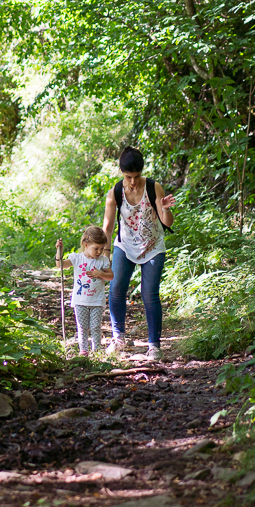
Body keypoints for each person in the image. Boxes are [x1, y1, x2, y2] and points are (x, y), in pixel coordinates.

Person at [102, 146, 175, 360]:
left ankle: (154, 346)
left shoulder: (153, 187)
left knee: (149, 294)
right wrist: (105, 256)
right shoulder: (115, 193)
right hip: (125, 245)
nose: (133, 181)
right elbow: (107, 227)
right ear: (121, 172)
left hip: (152, 247)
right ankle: (118, 339)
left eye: (136, 176)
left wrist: (166, 209)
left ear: (142, 172)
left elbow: (166, 222)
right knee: (116, 289)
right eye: (128, 177)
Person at [55, 226, 113, 355]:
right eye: (96, 248)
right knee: (82, 327)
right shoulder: (77, 258)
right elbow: (60, 265)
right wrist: (59, 250)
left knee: (96, 326)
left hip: (97, 300)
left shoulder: (102, 261)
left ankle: (96, 350)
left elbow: (110, 276)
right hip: (80, 300)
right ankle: (83, 350)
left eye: (101, 249)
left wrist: (100, 274)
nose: (99, 251)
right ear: (86, 245)